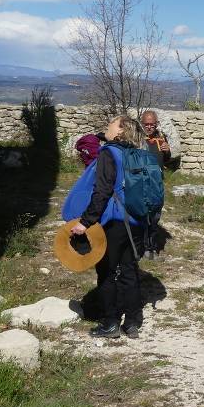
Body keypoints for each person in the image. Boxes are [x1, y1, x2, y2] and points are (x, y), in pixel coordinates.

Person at [69, 115, 149, 338]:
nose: (107, 127)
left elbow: (102, 192)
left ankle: (110, 323)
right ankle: (133, 322)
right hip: (135, 221)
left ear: (121, 131)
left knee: (106, 272)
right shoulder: (138, 153)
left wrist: (85, 222)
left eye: (111, 124)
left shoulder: (109, 153)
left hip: (113, 222)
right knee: (130, 271)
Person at [139, 110, 171, 259]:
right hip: (140, 184)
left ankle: (151, 246)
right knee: (141, 216)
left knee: (155, 217)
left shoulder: (161, 138)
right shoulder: (137, 140)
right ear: (142, 123)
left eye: (152, 124)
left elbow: (166, 161)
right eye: (147, 124)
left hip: (157, 185)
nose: (149, 127)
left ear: (156, 124)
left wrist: (168, 152)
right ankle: (142, 247)